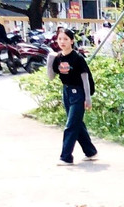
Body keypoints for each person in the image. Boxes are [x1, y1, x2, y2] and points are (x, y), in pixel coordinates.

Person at [46, 29, 98, 166]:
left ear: (72, 41)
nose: (62, 42)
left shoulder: (77, 58)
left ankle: (66, 157)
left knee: (70, 125)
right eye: (60, 39)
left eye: (65, 39)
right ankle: (91, 151)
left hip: (78, 92)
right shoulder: (58, 58)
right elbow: (51, 77)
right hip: (66, 91)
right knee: (76, 123)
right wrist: (50, 60)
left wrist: (88, 98)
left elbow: (85, 79)